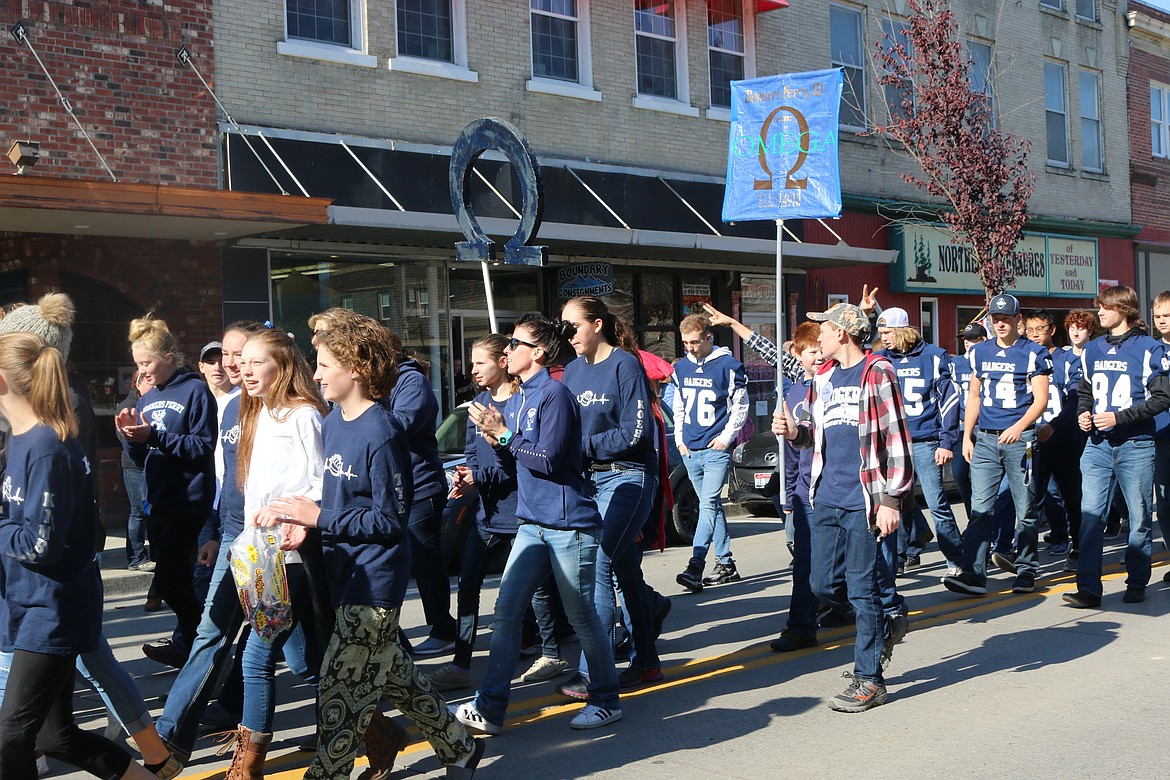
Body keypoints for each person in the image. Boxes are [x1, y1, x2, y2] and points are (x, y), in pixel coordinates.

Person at [260, 316, 485, 779]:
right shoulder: (335, 423)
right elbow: (340, 499)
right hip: (343, 573)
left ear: (356, 369)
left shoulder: (382, 432)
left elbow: (388, 520)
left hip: (375, 582)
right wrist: (309, 522)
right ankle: (460, 747)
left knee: (340, 697)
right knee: (398, 677)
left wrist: (320, 518)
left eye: (324, 366)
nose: (317, 375)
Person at [0, 331, 156, 780]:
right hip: (29, 605)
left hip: (52, 611)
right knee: (56, 737)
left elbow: (38, 545)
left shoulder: (46, 447)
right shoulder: (21, 439)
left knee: (10, 737)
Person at [455, 314, 621, 734]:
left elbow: (546, 459)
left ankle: (605, 699)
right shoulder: (520, 396)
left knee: (582, 618)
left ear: (539, 353)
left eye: (514, 344)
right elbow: (513, 461)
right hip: (532, 523)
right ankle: (491, 706)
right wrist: (485, 449)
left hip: (569, 525)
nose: (506, 351)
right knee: (507, 612)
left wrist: (505, 436)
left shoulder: (555, 395)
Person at [772, 302, 913, 712]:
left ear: (844, 334)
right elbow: (816, 434)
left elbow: (896, 437)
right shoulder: (823, 376)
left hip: (865, 498)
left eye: (825, 330)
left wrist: (892, 500)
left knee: (861, 587)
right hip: (825, 496)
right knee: (821, 585)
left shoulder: (877, 371)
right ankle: (890, 613)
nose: (820, 338)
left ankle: (869, 678)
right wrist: (796, 431)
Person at [155, 321, 268, 773]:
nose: (231, 362)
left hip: (274, 547)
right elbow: (227, 483)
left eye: (241, 354)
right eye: (227, 354)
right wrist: (214, 532)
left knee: (300, 656)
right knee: (211, 633)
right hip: (234, 537)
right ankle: (169, 736)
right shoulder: (228, 409)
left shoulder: (287, 409)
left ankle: (377, 726)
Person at [223, 328, 330, 777]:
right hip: (260, 557)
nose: (244, 370)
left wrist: (299, 519)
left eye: (255, 362)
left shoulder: (305, 415)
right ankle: (375, 730)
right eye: (242, 362)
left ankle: (247, 766)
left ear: (282, 366)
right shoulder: (256, 414)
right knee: (305, 661)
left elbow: (325, 482)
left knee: (255, 657)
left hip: (294, 556)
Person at [558, 296, 663, 695]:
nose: (567, 334)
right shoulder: (570, 372)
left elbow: (636, 433)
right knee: (625, 571)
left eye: (573, 325)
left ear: (597, 324)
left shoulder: (625, 364)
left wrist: (581, 446)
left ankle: (592, 673)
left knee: (597, 564)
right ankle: (647, 663)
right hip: (591, 483)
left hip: (630, 478)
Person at [115, 316, 218, 666]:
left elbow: (202, 446)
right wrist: (131, 438)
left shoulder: (195, 390)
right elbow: (142, 456)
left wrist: (153, 436)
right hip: (157, 500)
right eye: (138, 365)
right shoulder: (148, 396)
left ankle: (206, 643)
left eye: (147, 363)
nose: (142, 372)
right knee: (180, 581)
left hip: (188, 500)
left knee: (169, 581)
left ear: (170, 356)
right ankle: (195, 649)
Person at [430, 334, 526, 690]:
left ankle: (549, 650)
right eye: (471, 364)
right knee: (468, 584)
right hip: (486, 514)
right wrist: (466, 477)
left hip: (520, 515)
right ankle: (461, 662)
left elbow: (517, 463)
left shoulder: (520, 403)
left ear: (503, 361)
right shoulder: (476, 405)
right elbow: (473, 455)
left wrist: (480, 474)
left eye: (480, 363)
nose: (473, 370)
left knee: (533, 593)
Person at [1064, 286, 1170, 608]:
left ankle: (1137, 581)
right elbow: (1084, 390)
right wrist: (1084, 413)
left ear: (1123, 309)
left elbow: (1163, 397)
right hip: (1096, 446)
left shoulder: (1149, 348)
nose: (1100, 313)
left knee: (1138, 517)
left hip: (1135, 444)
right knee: (1091, 516)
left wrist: (1119, 418)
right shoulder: (1093, 349)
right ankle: (1089, 589)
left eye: (1105, 308)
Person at [944, 294, 1051, 597]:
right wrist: (967, 436)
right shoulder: (978, 352)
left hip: (1021, 438)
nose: (1000, 323)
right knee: (980, 508)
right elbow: (974, 397)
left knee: (1026, 507)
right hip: (987, 439)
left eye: (1006, 318)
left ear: (1019, 319)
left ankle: (1027, 568)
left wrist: (1019, 427)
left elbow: (1041, 399)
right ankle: (973, 574)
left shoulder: (1034, 353)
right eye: (995, 318)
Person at [873, 307, 962, 577]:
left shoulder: (933, 357)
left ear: (902, 330)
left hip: (925, 441)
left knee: (936, 503)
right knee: (893, 503)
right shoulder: (881, 359)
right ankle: (899, 558)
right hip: (894, 443)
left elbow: (949, 401)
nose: (884, 338)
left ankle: (957, 560)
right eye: (881, 332)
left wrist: (947, 441)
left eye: (887, 332)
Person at [385, 328, 457, 656]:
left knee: (426, 561)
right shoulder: (383, 382)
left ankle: (443, 628)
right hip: (394, 487)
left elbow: (397, 427)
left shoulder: (410, 381)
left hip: (420, 485)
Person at [671, 313, 749, 591]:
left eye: (695, 342)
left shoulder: (729, 366)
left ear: (709, 337)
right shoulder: (681, 368)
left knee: (707, 503)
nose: (690, 348)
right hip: (690, 448)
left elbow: (740, 406)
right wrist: (680, 440)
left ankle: (696, 565)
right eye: (685, 343)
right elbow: (678, 406)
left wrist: (726, 439)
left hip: (716, 448)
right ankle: (726, 563)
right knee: (711, 507)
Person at [769, 322, 825, 652]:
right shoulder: (792, 391)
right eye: (811, 351)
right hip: (806, 487)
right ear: (798, 355)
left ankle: (883, 607)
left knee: (846, 561)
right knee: (804, 560)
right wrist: (789, 493)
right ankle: (801, 625)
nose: (817, 356)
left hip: (838, 485)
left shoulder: (837, 382)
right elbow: (790, 449)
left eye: (821, 348)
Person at [1021, 310, 1084, 569]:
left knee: (1072, 497)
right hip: (1032, 440)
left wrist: (1054, 426)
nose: (1035, 334)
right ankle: (1026, 555)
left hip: (1065, 439)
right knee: (1030, 498)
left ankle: (1079, 546)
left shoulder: (1067, 359)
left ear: (1052, 330)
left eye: (1041, 329)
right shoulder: (1022, 357)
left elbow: (1075, 399)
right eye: (1031, 329)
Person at [950, 322, 987, 519]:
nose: (967, 343)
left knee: (984, 478)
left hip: (985, 426)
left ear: (984, 340)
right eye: (965, 339)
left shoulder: (988, 361)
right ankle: (973, 518)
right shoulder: (956, 364)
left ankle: (985, 523)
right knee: (959, 474)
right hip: (963, 426)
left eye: (973, 339)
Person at [118, 372, 154, 571]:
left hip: (151, 465)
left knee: (150, 511)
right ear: (137, 384)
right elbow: (125, 439)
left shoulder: (152, 402)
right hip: (134, 466)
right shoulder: (128, 406)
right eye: (148, 380)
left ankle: (150, 554)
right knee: (138, 512)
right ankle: (136, 558)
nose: (153, 384)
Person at [1151, 292, 1170, 584]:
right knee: (1164, 502)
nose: (1162, 321)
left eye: (1167, 315)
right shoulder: (1150, 351)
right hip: (1159, 435)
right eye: (1158, 316)